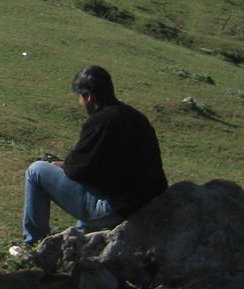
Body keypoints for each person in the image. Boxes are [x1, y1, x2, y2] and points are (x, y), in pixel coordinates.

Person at [14, 65, 168, 254]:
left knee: (36, 171)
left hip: (117, 210)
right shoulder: (136, 117)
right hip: (147, 204)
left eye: (80, 97)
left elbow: (76, 169)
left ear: (88, 96)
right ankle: (84, 236)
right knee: (91, 182)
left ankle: (34, 243)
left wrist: (60, 165)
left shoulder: (101, 122)